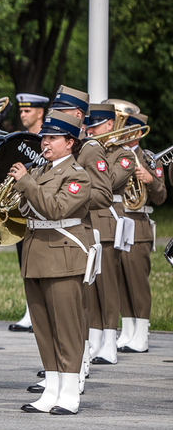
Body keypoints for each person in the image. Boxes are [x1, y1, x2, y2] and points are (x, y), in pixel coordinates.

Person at [10, 111, 91, 415]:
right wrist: (19, 189)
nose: (45, 143)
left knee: (66, 327)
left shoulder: (77, 175)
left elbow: (55, 209)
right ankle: (52, 388)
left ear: (70, 142)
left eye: (52, 138)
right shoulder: (40, 171)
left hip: (62, 255)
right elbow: (27, 209)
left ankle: (69, 392)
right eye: (44, 137)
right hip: (36, 254)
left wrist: (27, 183)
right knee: (43, 328)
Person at [115, 112, 166, 353]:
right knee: (121, 280)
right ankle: (127, 330)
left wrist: (150, 180)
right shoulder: (115, 155)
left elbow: (161, 196)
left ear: (137, 132)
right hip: (118, 222)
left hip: (138, 223)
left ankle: (142, 334)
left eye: (127, 129)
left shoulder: (149, 159)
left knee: (137, 281)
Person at [82, 104, 125, 365]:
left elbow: (108, 182)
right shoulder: (87, 149)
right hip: (89, 221)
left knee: (108, 286)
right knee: (91, 287)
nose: (90, 130)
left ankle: (110, 341)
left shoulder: (124, 154)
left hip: (108, 222)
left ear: (110, 125)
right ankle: (95, 338)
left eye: (96, 125)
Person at [9, 93, 49, 333]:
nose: (23, 115)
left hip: (43, 207)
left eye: (28, 111)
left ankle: (40, 311)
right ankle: (30, 309)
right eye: (21, 111)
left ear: (40, 113)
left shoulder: (47, 139)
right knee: (24, 259)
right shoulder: (19, 140)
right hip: (22, 207)